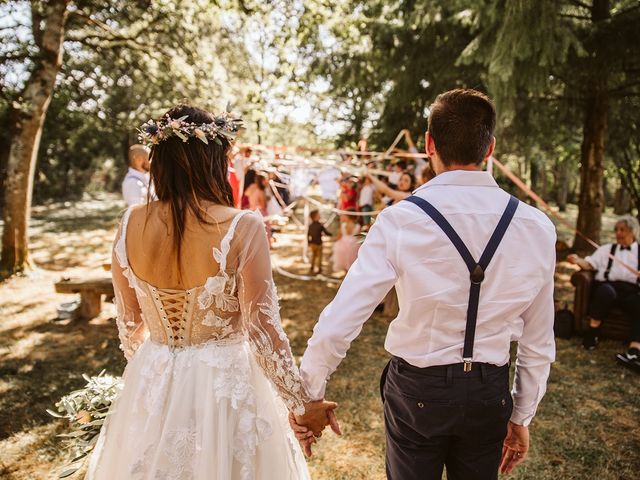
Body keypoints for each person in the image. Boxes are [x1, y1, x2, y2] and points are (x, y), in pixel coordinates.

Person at [292, 89, 557, 479]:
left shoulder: (399, 221)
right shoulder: (536, 226)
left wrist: (309, 395)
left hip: (418, 390)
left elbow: (341, 320)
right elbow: (538, 339)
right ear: (490, 149)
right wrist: (521, 414)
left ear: (429, 144)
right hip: (489, 392)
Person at [87, 105, 338, 480]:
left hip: (152, 374)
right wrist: (301, 404)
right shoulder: (243, 226)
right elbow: (261, 329)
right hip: (224, 385)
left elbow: (129, 322)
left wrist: (156, 376)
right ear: (212, 160)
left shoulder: (129, 223)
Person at [567, 216, 640, 368]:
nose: (618, 233)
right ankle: (592, 334)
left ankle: (634, 350)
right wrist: (577, 260)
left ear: (633, 232)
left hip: (631, 291)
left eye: (622, 230)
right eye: (616, 230)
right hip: (609, 286)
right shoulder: (606, 249)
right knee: (605, 293)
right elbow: (589, 264)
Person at [307, 210, 332, 275]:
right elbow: (326, 232)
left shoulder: (310, 225)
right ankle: (319, 269)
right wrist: (331, 234)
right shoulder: (320, 225)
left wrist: (309, 242)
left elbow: (308, 235)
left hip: (312, 243)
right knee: (319, 256)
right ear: (315, 217)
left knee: (314, 256)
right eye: (318, 215)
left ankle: (312, 267)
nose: (320, 216)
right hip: (318, 244)